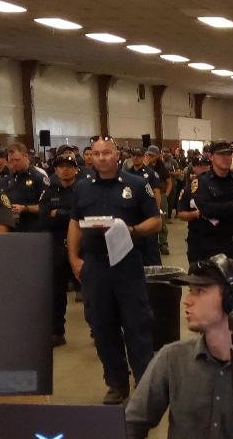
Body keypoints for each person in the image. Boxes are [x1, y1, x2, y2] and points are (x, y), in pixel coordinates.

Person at [126, 255, 233, 439]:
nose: (187, 301)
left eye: (199, 291)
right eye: (190, 290)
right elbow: (128, 426)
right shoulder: (172, 358)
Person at [67, 135, 162, 405]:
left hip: (127, 264)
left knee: (137, 325)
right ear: (90, 157)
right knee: (102, 326)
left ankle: (145, 383)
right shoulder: (82, 188)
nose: (101, 158)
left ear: (117, 155)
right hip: (96, 266)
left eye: (107, 153)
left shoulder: (136, 185)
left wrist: (131, 230)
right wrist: (74, 258)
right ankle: (117, 383)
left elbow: (155, 221)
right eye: (96, 154)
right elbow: (74, 223)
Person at [187, 141, 233, 267]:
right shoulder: (201, 182)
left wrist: (219, 209)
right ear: (211, 157)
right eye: (221, 154)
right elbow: (206, 210)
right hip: (210, 246)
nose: (226, 157)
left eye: (229, 154)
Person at [39, 152, 80, 347]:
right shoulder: (49, 192)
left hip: (80, 246)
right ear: (55, 170)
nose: (65, 169)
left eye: (69, 166)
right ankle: (57, 331)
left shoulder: (83, 190)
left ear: (75, 169)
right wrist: (69, 215)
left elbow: (83, 218)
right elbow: (44, 219)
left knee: (91, 291)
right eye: (61, 166)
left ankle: (99, 331)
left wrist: (60, 213)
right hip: (56, 247)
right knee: (57, 292)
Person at [0, 143, 48, 233]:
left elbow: (46, 207)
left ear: (26, 157)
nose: (14, 163)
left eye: (17, 160)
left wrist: (24, 208)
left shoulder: (38, 177)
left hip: (33, 227)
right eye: (11, 160)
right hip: (13, 227)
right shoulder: (10, 178)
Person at [176, 154, 213, 264]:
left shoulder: (218, 185)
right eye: (199, 165)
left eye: (206, 165)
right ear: (194, 167)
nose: (203, 168)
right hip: (197, 236)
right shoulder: (189, 189)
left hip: (217, 236)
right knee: (196, 271)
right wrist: (197, 214)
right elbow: (181, 214)